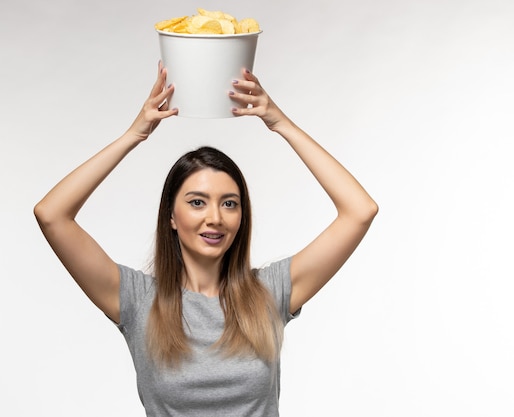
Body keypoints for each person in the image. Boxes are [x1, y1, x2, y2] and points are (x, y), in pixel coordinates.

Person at [34, 61, 378, 416]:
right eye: (197, 202)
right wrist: (133, 136)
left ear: (242, 216)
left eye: (229, 203)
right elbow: (52, 215)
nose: (214, 217)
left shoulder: (270, 291)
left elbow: (360, 210)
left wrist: (280, 124)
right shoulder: (137, 300)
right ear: (171, 215)